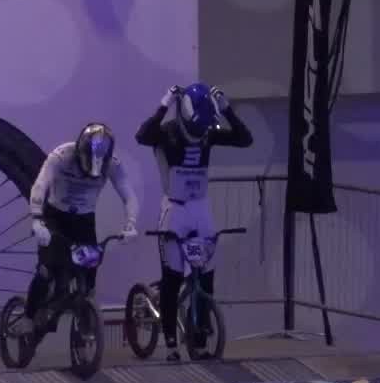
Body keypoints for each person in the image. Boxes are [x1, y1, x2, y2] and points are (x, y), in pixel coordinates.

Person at [135, 82, 253, 361]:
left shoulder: (208, 133)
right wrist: (164, 103)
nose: (201, 133)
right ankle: (170, 342)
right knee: (173, 276)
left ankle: (199, 337)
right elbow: (143, 135)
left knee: (207, 276)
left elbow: (244, 139)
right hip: (174, 209)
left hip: (200, 208)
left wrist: (226, 109)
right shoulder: (167, 132)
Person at [21, 123, 139, 334]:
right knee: (46, 271)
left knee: (89, 275)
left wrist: (131, 224)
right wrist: (37, 220)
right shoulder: (61, 156)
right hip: (55, 217)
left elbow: (128, 194)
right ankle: (28, 317)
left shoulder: (113, 164)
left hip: (84, 222)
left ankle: (85, 321)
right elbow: (40, 185)